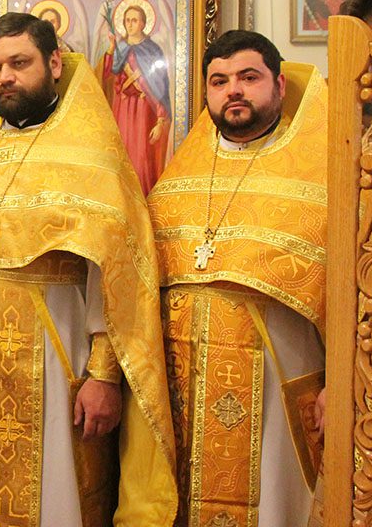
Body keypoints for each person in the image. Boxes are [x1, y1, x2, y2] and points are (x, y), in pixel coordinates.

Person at [0, 12, 176, 527]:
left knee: (54, 498)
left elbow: (115, 272)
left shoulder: (94, 153)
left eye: (19, 63)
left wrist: (104, 375)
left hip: (51, 361)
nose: (5, 77)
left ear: (55, 64)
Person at [147, 30, 327, 527]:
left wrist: (341, 383)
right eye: (220, 81)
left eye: (249, 77)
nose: (234, 91)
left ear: (279, 85)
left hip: (277, 384)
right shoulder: (178, 179)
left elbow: (351, 294)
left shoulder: (321, 174)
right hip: (185, 390)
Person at [101, 1, 171, 194]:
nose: (130, 24)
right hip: (122, 108)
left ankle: (143, 195)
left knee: (141, 157)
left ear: (143, 23)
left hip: (143, 109)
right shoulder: (120, 48)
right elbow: (106, 74)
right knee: (122, 153)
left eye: (134, 20)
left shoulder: (152, 50)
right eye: (127, 20)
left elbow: (160, 87)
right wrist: (112, 47)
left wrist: (160, 120)